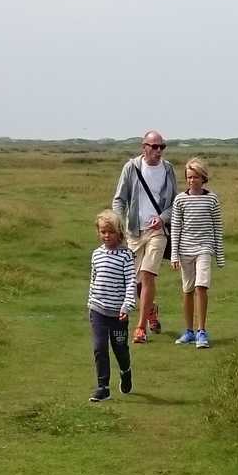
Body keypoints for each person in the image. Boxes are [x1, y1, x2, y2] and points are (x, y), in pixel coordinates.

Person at [110, 130, 178, 344]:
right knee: (136, 280)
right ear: (144, 147)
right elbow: (119, 200)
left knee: (148, 275)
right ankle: (151, 310)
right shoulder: (131, 167)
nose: (158, 151)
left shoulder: (168, 169)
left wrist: (163, 218)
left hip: (158, 231)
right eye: (154, 146)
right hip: (134, 231)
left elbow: (174, 202)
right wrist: (118, 224)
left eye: (162, 147)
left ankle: (140, 328)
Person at [170, 157, 225, 349]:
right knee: (188, 290)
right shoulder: (180, 200)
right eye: (189, 177)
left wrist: (219, 255)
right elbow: (176, 227)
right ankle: (189, 331)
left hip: (204, 248)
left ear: (203, 178)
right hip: (185, 249)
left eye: (196, 177)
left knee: (202, 286)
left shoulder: (212, 199)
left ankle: (202, 331)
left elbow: (217, 227)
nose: (192, 180)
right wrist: (174, 254)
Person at [87, 209, 137, 402]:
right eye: (103, 232)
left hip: (118, 314)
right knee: (100, 347)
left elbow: (131, 282)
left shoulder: (126, 256)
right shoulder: (96, 255)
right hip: (98, 310)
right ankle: (103, 387)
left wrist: (127, 306)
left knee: (120, 348)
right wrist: (90, 302)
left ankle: (126, 371)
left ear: (119, 233)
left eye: (111, 232)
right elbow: (94, 279)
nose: (106, 236)